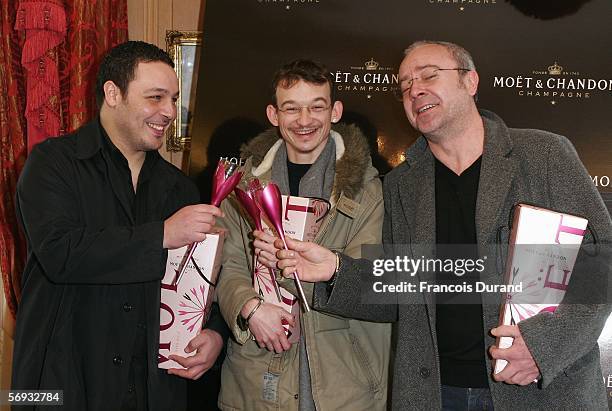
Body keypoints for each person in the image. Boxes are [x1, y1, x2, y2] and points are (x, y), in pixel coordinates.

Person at [267, 41, 612, 409]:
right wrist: (335, 269)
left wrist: (542, 347)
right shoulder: (402, 184)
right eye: (404, 86)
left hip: (540, 391)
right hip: (434, 395)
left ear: (470, 82)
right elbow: (401, 290)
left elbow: (603, 262)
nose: (415, 89)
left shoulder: (544, 155)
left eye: (429, 75)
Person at [11, 41, 229, 411]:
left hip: (154, 389)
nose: (169, 111)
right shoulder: (52, 163)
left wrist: (216, 334)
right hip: (61, 385)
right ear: (113, 93)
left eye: (174, 99)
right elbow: (60, 253)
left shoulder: (180, 188)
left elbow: (202, 281)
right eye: (156, 97)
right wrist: (161, 235)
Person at [215, 59, 391, 410]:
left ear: (335, 111)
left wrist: (290, 267)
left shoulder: (369, 189)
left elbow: (372, 286)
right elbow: (228, 263)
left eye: (317, 106)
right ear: (273, 114)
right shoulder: (245, 183)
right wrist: (249, 308)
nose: (305, 120)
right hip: (256, 373)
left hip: (342, 376)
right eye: (291, 108)